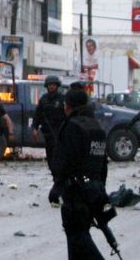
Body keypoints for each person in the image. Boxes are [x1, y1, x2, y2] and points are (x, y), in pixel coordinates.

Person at [49, 88, 108, 259]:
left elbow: (65, 161)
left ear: (68, 106)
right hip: (93, 190)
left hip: (75, 191)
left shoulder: (72, 126)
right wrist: (100, 188)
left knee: (78, 237)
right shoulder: (95, 126)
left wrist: (57, 186)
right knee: (78, 237)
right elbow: (103, 163)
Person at [31, 75, 66, 173]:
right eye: (50, 85)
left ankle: (58, 174)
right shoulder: (43, 99)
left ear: (57, 86)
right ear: (47, 86)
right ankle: (54, 172)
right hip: (48, 132)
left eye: (53, 84)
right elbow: (37, 115)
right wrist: (35, 128)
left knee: (59, 155)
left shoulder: (62, 99)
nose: (51, 86)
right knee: (50, 155)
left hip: (60, 132)